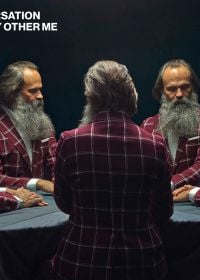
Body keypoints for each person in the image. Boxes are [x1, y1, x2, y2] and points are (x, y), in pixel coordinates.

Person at [48, 60, 173, 280]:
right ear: (131, 97)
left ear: (91, 99)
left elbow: (64, 203)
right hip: (143, 262)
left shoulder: (69, 141)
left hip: (80, 259)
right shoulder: (156, 144)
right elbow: (164, 210)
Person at [141, 59, 200, 190]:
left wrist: (168, 185)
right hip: (158, 205)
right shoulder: (147, 126)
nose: (179, 94)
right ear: (161, 91)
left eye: (185, 87)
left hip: (198, 206)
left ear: (193, 87)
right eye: (171, 89)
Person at [0, 61, 56, 194]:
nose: (40, 96)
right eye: (32, 90)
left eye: (40, 89)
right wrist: (38, 183)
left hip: (43, 205)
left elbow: (54, 160)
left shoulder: (40, 121)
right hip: (10, 210)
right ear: (12, 93)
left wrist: (59, 177)